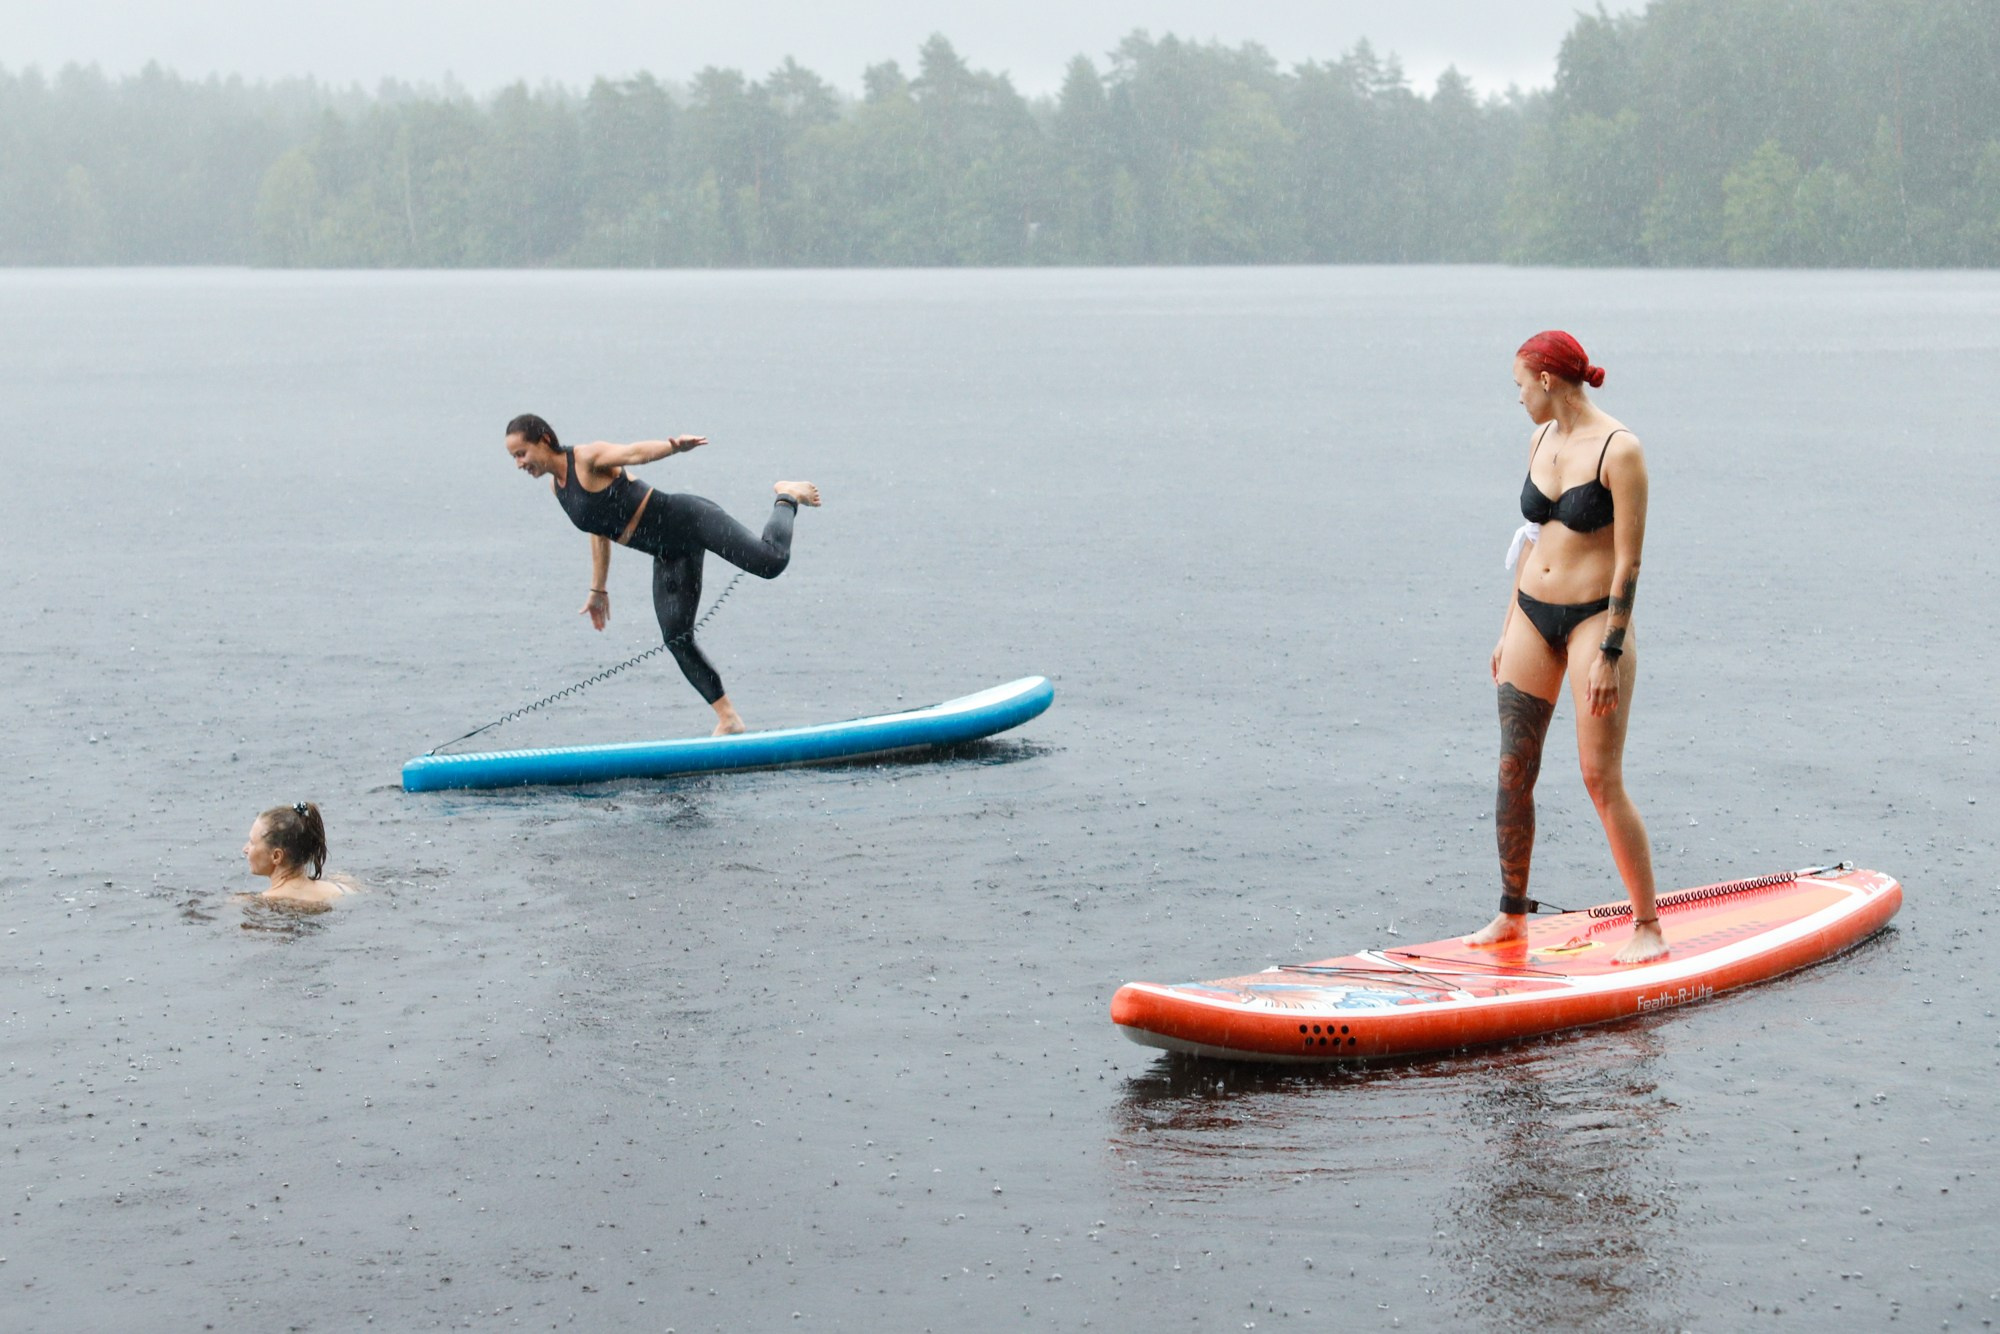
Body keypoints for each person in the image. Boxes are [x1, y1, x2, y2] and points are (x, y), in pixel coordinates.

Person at [1469, 331, 1665, 964]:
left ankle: (1647, 926)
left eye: (1520, 385)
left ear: (1548, 381)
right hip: (1530, 613)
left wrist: (1610, 652)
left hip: (1592, 623)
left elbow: (1629, 564)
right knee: (1511, 773)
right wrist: (1506, 628)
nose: (1518, 397)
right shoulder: (1539, 439)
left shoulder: (1619, 450)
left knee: (1598, 777)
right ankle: (1511, 916)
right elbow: (1530, 537)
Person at [504, 413, 820, 736]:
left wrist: (672, 447)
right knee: (677, 639)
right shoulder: (559, 491)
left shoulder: (585, 458)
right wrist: (598, 589)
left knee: (770, 562)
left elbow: (632, 453)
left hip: (689, 519)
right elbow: (597, 529)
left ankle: (787, 495)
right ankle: (729, 719)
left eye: (521, 453)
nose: (519, 463)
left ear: (543, 440)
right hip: (669, 554)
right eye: (514, 457)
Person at [241, 801, 353, 906]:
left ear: (276, 856)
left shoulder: (260, 903)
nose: (245, 849)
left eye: (252, 842)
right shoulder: (341, 890)